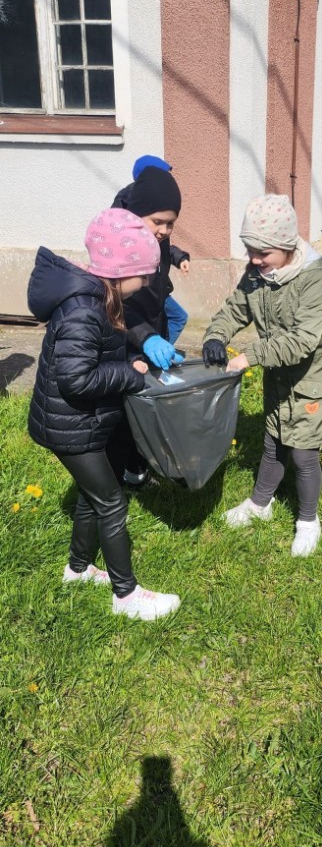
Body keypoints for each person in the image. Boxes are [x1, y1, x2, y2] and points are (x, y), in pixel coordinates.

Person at [27, 209, 181, 621]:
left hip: (81, 421)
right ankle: (125, 595)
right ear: (120, 269)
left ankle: (77, 569)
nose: (148, 282)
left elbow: (114, 337)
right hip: (69, 426)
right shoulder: (82, 310)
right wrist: (128, 374)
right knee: (112, 503)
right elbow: (76, 379)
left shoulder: (101, 299)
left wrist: (143, 343)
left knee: (94, 498)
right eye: (144, 274)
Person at [202, 194, 322, 557]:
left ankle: (308, 520)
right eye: (249, 250)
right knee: (273, 440)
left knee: (303, 454)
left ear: (287, 246)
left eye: (263, 253)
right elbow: (235, 308)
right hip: (280, 377)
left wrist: (249, 356)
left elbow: (303, 341)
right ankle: (260, 504)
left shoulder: (314, 279)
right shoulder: (257, 275)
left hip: (313, 380)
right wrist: (215, 336)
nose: (254, 260)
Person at [112, 156, 190, 356]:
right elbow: (119, 307)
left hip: (158, 294)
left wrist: (180, 257)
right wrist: (146, 339)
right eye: (158, 222)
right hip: (136, 321)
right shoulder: (122, 248)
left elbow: (166, 250)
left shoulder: (157, 232)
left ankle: (162, 348)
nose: (164, 231)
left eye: (170, 224)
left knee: (176, 317)